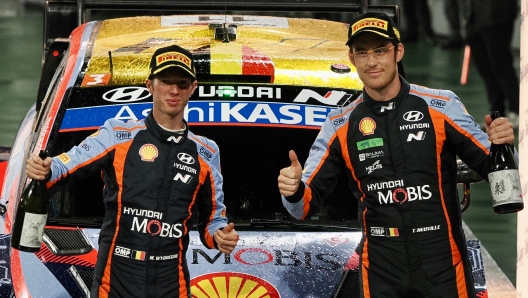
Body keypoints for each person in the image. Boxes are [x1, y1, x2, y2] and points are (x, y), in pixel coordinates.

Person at [278, 12, 516, 298]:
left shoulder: (441, 106)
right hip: (381, 268)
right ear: (352, 59)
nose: (372, 62)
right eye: (362, 53)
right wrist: (291, 190)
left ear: (398, 51)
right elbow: (303, 207)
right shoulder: (338, 125)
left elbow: (495, 169)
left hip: (442, 263)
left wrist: (502, 145)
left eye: (380, 51)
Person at [26, 44, 239, 298]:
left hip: (173, 286)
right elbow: (63, 166)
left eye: (182, 83)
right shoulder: (117, 135)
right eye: (165, 81)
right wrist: (45, 168)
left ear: (193, 88)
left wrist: (220, 237)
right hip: (115, 284)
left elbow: (213, 219)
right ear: (149, 85)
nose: (173, 90)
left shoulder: (207, 152)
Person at [464, 0, 520, 129]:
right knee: (485, 68)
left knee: (501, 64)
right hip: (473, 16)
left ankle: (516, 110)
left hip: (497, 15)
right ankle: (497, 113)